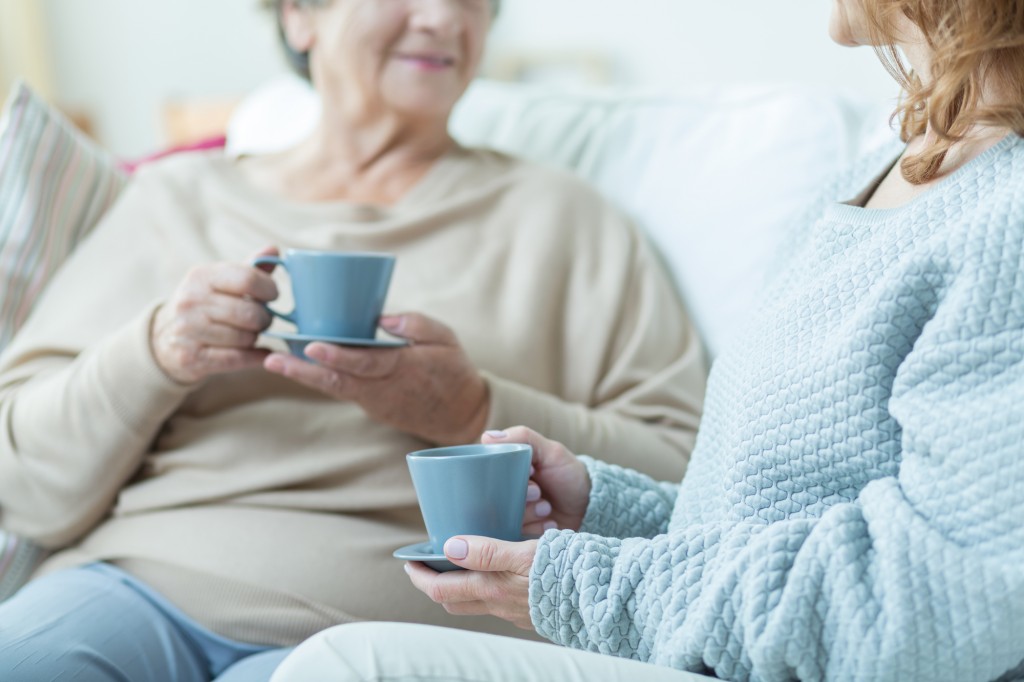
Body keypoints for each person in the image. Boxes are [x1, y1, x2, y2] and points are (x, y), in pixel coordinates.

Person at [269, 0, 1024, 680]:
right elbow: (759, 519)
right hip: (738, 651)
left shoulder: (1006, 218)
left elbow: (938, 603)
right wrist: (602, 512)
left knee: (350, 665)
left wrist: (580, 584)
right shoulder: (873, 177)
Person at [0, 0, 707, 680]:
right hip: (134, 589)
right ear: (298, 14)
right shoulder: (173, 198)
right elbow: (22, 487)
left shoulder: (566, 221)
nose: (442, 16)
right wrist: (154, 353)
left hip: (384, 632)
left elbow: (692, 488)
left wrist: (473, 408)